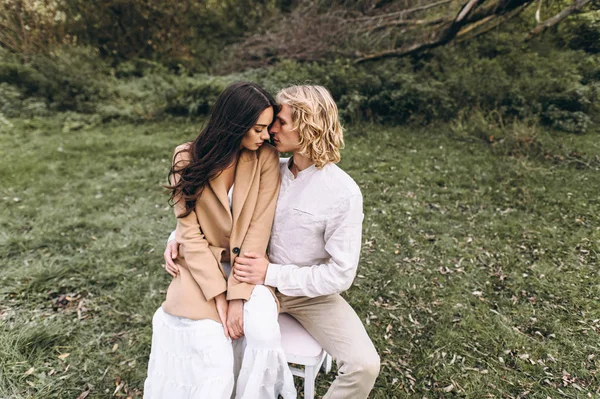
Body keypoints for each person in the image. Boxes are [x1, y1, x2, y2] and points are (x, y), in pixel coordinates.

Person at [165, 85, 380, 399]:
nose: (270, 130)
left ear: (308, 127)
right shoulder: (267, 168)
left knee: (365, 365)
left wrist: (270, 274)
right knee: (219, 342)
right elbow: (217, 215)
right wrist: (177, 237)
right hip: (253, 285)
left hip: (309, 294)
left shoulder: (343, 194)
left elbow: (341, 275)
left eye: (281, 122)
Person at [145, 81, 296, 399]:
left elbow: (258, 228)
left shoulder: (264, 158)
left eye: (267, 128)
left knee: (253, 334)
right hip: (201, 268)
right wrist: (219, 298)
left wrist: (238, 297)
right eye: (257, 128)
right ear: (234, 125)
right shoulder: (186, 157)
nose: (265, 136)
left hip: (248, 269)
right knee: (209, 350)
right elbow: (190, 233)